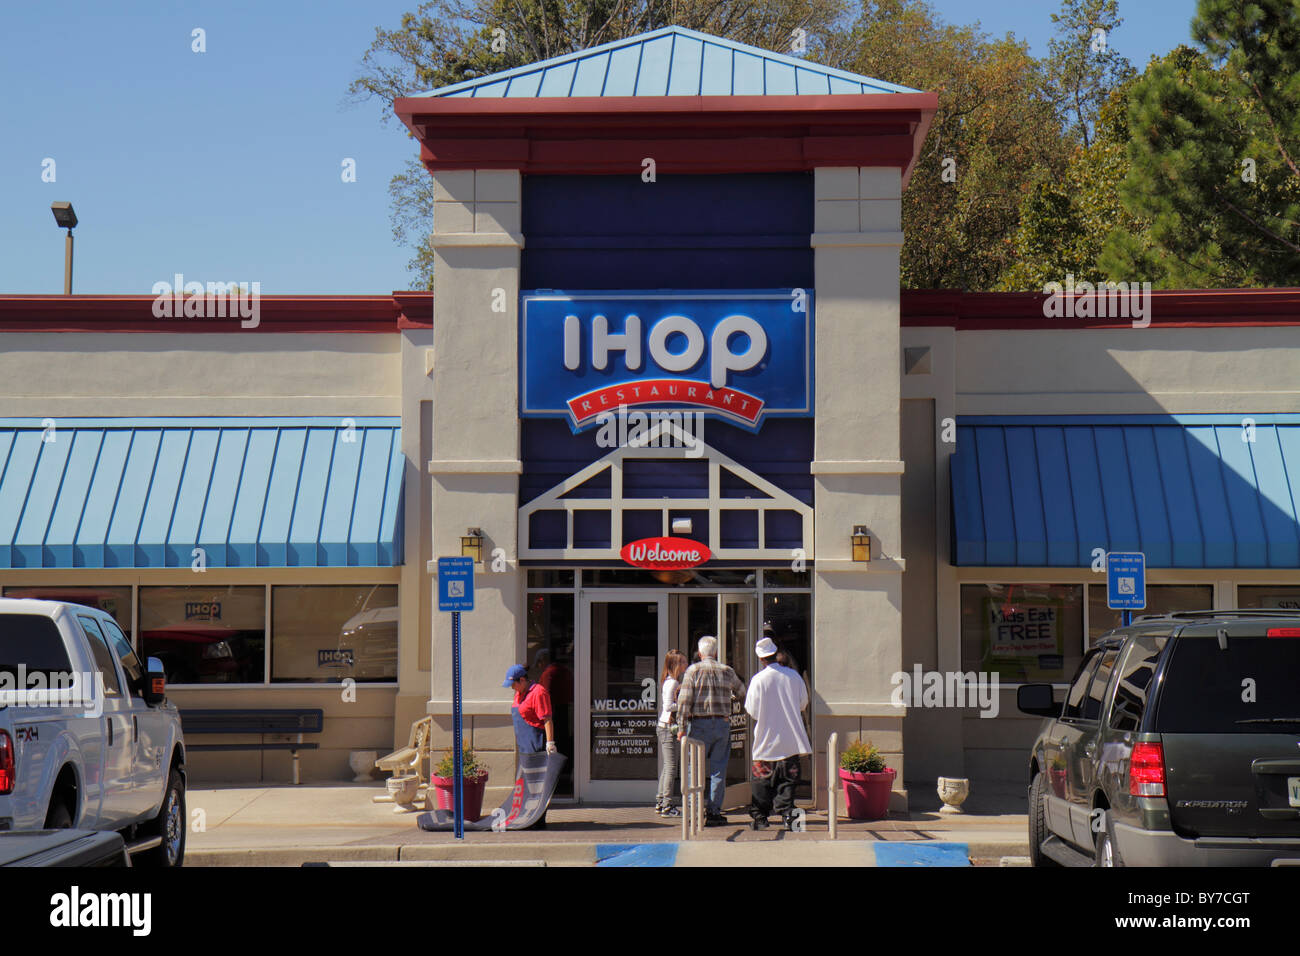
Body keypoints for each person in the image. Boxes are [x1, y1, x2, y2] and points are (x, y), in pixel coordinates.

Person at [676, 636, 746, 826]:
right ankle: (714, 811)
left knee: (694, 770)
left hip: (699, 724)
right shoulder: (727, 671)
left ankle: (693, 813)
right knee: (718, 770)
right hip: (722, 724)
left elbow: (684, 701)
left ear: (700, 654)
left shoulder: (693, 671)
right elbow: (742, 692)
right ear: (715, 653)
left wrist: (681, 727)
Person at [743, 636, 812, 831]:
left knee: (762, 783)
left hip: (766, 740)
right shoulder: (793, 676)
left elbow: (753, 711)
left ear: (761, 659)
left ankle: (760, 818)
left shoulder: (758, 680)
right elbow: (802, 704)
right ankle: (790, 816)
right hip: (790, 741)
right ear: (775, 654)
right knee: (788, 783)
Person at [504, 664, 557, 827]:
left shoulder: (538, 692)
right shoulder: (518, 694)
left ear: (522, 680)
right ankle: (528, 817)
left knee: (538, 787)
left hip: (537, 744)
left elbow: (547, 719)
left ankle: (539, 821)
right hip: (524, 747)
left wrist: (550, 743)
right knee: (527, 787)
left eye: (513, 684)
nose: (512, 688)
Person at [655, 649, 688, 817]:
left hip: (664, 727)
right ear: (675, 664)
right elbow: (669, 706)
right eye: (682, 662)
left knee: (668, 766)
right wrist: (685, 704)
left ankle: (661, 801)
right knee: (671, 767)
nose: (685, 664)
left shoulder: (670, 681)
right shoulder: (673, 683)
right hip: (668, 728)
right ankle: (667, 805)